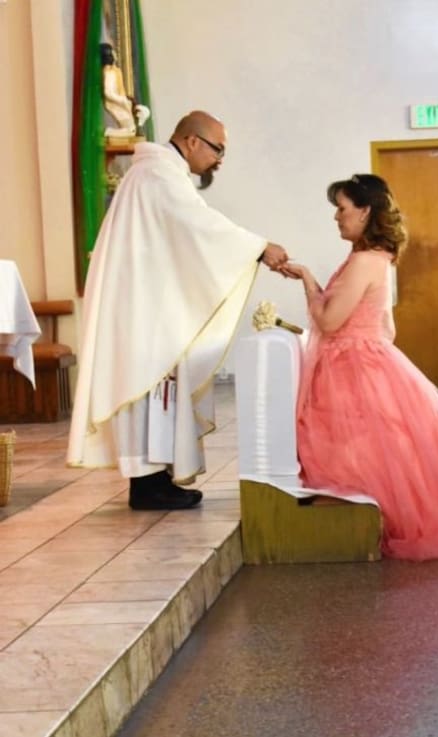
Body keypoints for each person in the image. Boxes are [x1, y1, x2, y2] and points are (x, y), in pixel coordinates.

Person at [283, 174, 438, 560]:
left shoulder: (363, 260)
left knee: (356, 446)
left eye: (342, 208)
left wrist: (305, 279)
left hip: (352, 366)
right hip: (368, 360)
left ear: (365, 212)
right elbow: (386, 327)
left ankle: (353, 518)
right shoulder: (377, 259)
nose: (336, 216)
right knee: (388, 447)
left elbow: (330, 321)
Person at [67, 110, 289, 510]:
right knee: (151, 389)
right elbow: (199, 225)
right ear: (192, 141)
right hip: (143, 309)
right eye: (218, 149)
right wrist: (259, 247)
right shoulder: (158, 175)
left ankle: (155, 479)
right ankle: (148, 485)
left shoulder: (158, 173)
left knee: (157, 392)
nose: (219, 159)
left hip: (148, 303)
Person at [100, 42, 150, 139]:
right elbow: (108, 93)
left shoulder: (115, 70)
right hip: (116, 104)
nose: (115, 54)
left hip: (123, 102)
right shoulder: (109, 72)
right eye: (113, 52)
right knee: (130, 130)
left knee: (142, 115)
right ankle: (106, 133)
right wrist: (123, 100)